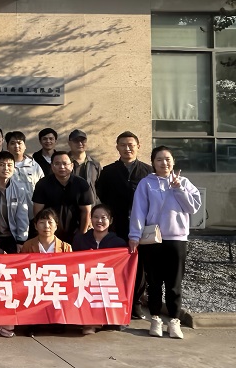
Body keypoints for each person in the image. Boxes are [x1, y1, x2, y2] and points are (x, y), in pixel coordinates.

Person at [128, 146, 202, 340]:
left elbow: (193, 207)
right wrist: (134, 236)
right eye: (159, 159)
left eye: (167, 159)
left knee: (174, 283)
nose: (164, 163)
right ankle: (155, 319)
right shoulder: (146, 183)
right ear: (153, 163)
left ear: (173, 161)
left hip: (177, 239)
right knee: (154, 283)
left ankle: (174, 321)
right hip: (153, 239)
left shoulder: (184, 182)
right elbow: (138, 211)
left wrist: (178, 189)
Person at [96, 131, 153, 320]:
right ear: (117, 147)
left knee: (139, 264)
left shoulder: (148, 171)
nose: (127, 148)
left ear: (138, 146)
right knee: (117, 263)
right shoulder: (108, 171)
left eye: (131, 145)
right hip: (116, 225)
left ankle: (135, 302)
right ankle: (118, 301)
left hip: (141, 225)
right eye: (123, 145)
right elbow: (102, 195)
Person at [73, 203, 128, 335]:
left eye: (104, 217)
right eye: (96, 217)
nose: (99, 221)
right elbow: (73, 264)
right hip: (86, 282)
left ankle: (104, 320)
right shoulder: (80, 240)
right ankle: (90, 322)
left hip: (107, 282)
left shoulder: (119, 243)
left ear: (111, 220)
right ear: (90, 219)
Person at [33, 151, 94, 243]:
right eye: (57, 164)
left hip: (76, 233)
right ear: (52, 166)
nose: (61, 167)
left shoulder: (82, 184)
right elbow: (38, 212)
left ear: (72, 166)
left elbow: (86, 211)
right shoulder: (42, 184)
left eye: (65, 164)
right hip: (50, 234)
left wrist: (82, 234)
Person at [0, 151, 30, 253]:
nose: (6, 168)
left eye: (9, 165)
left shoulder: (19, 188)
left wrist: (21, 240)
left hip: (13, 237)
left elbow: (22, 216)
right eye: (2, 165)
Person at [67, 129, 101, 201]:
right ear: (69, 143)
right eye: (76, 141)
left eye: (83, 140)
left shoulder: (95, 164)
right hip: (68, 205)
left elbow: (101, 188)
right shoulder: (62, 164)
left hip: (91, 206)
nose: (80, 143)